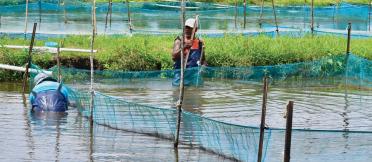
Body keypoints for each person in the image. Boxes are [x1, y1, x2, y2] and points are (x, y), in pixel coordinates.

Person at [171, 18, 207, 86]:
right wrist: (185, 47)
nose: (187, 30)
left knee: (196, 93)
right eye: (186, 27)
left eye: (190, 28)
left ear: (195, 29)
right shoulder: (179, 41)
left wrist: (203, 67)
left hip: (195, 77)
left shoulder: (199, 43)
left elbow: (203, 60)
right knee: (178, 92)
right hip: (180, 76)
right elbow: (174, 57)